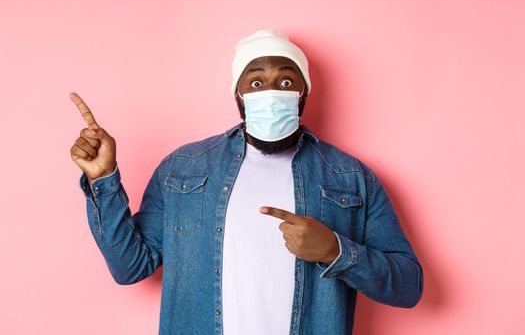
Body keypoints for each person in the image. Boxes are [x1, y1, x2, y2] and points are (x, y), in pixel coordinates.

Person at [70, 29, 423, 335]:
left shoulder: (350, 177)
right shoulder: (183, 169)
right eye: (256, 82)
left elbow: (408, 286)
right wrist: (102, 179)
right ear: (238, 95)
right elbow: (130, 267)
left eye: (286, 81)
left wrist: (334, 249)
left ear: (304, 93)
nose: (271, 92)